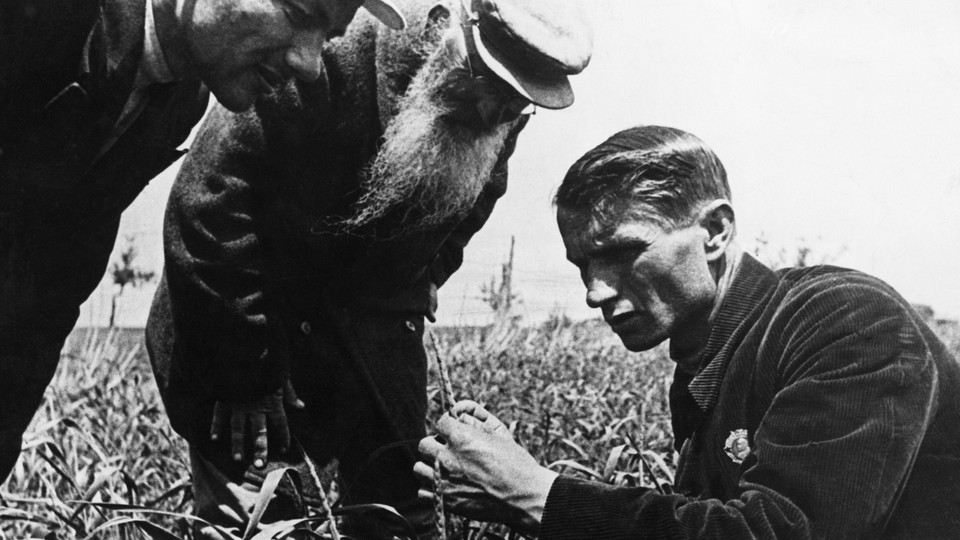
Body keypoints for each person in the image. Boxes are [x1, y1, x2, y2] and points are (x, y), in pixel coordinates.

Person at [144, 0, 592, 537]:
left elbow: (468, 206)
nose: (491, 116)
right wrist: (246, 379)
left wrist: (412, 285)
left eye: (514, 105)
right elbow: (208, 207)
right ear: (446, 32)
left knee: (401, 511)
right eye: (488, 87)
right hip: (241, 322)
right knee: (261, 513)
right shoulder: (321, 53)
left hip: (369, 325)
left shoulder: (493, 114)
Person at [415, 125, 960, 539]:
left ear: (716, 232)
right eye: (583, 265)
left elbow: (779, 531)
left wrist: (536, 494)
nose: (595, 292)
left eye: (623, 252)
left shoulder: (848, 321)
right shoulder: (711, 356)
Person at [0, 0, 406, 483]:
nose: (310, 64)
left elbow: (56, 276)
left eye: (328, 38)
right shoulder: (46, 16)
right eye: (299, 15)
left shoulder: (181, 98)